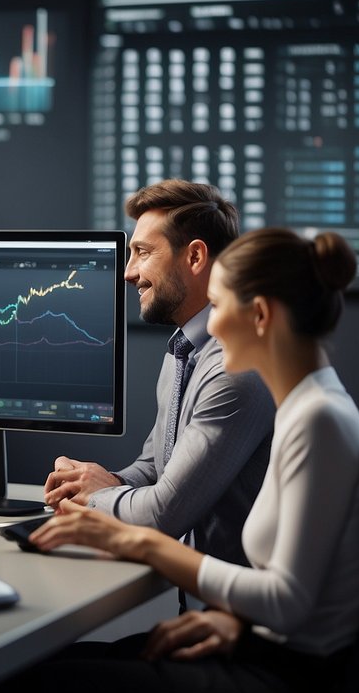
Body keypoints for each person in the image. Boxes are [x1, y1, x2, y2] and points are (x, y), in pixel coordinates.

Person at [0, 227, 359, 693]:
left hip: (284, 690)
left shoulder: (318, 419)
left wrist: (137, 541)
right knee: (39, 671)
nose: (212, 325)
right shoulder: (308, 406)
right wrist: (236, 626)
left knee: (17, 689)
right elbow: (307, 596)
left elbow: (287, 599)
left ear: (261, 316)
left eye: (220, 305)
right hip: (260, 653)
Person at [44, 180, 273, 566]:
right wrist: (99, 481)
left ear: (196, 257)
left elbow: (165, 512)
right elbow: (156, 466)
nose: (128, 273)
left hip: (234, 611)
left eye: (143, 253)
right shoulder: (183, 349)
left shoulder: (234, 368)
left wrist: (96, 498)